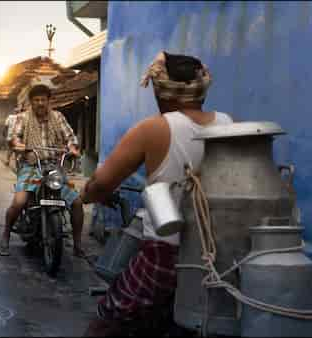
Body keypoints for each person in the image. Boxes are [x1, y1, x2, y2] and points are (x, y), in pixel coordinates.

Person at [79, 51, 233, 336]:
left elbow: (102, 184)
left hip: (166, 256)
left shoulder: (154, 128)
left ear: (161, 91)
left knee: (107, 323)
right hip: (221, 255)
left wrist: (87, 194)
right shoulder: (227, 123)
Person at [0, 84, 85, 257]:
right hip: (31, 167)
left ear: (48, 101)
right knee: (19, 202)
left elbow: (70, 137)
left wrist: (72, 148)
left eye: (43, 100)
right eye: (36, 100)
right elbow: (13, 138)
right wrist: (20, 146)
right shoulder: (22, 118)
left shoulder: (58, 117)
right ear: (31, 102)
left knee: (76, 203)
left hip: (54, 168)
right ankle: (6, 235)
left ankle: (77, 245)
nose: (40, 103)